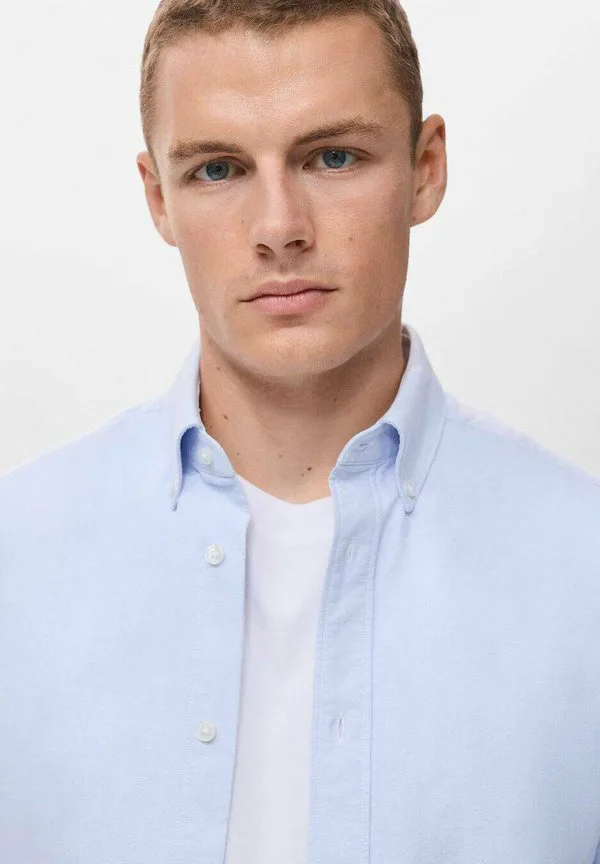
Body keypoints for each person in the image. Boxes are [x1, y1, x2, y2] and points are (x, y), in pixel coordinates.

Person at [1, 0, 600, 861]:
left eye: (333, 156)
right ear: (157, 198)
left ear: (426, 169)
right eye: (218, 169)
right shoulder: (16, 560)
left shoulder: (583, 566)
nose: (279, 229)